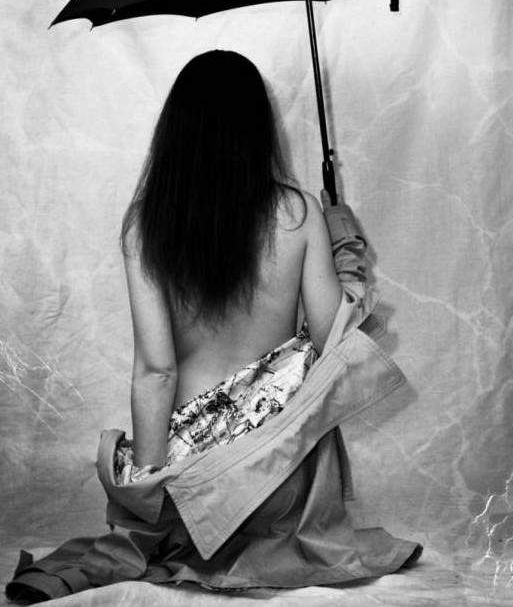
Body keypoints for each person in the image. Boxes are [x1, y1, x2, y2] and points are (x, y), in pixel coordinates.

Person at [6, 50, 422, 603]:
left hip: (192, 489)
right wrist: (343, 242)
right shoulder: (298, 213)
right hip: (276, 480)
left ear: (176, 129)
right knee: (306, 407)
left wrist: (149, 503)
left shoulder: (147, 224)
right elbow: (335, 347)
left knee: (162, 497)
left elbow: (156, 372)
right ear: (258, 128)